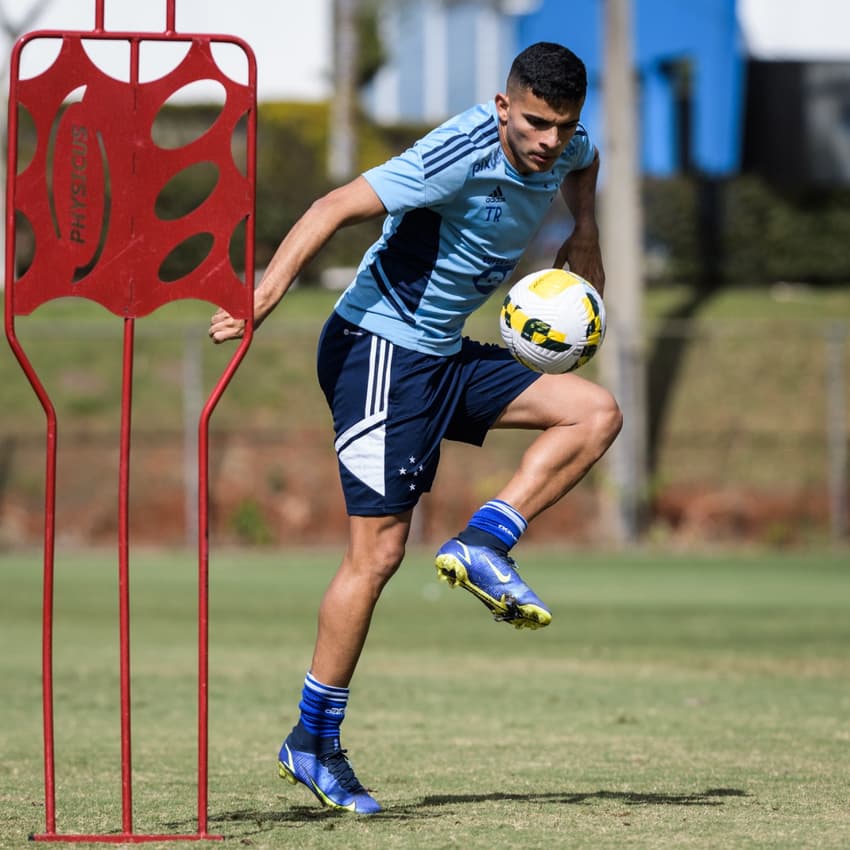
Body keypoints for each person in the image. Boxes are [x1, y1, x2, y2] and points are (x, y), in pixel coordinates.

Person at [209, 41, 622, 814]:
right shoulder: (457, 152)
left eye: (561, 128)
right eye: (533, 124)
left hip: (440, 355)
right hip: (376, 348)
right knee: (380, 552)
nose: (548, 143)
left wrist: (586, 233)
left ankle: (484, 541)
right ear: (504, 107)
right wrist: (263, 297)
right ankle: (312, 740)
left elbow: (588, 164)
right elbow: (332, 207)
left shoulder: (569, 148)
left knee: (593, 412)